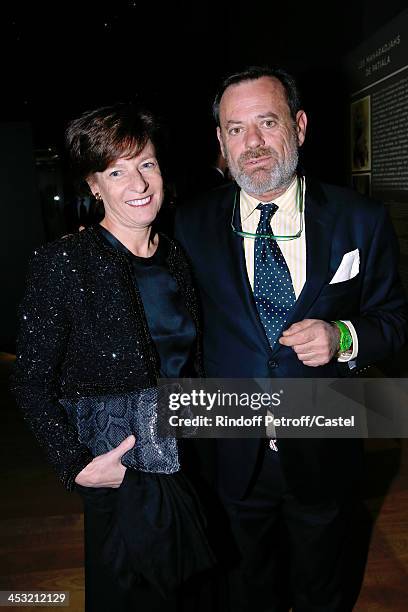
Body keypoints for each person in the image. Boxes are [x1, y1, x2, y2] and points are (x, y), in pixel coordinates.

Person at [174, 66, 408, 611]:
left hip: (326, 439)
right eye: (235, 129)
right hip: (229, 445)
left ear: (299, 126)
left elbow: (394, 320)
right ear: (220, 141)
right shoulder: (190, 225)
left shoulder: (361, 220)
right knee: (245, 584)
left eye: (267, 122)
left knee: (323, 583)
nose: (252, 143)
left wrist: (342, 335)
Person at [12, 103, 215, 612]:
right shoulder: (63, 263)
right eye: (116, 171)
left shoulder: (174, 256)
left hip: (188, 460)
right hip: (122, 473)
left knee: (193, 593)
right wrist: (76, 464)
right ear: (93, 186)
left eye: (146, 163)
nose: (138, 182)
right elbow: (30, 382)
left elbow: (192, 362)